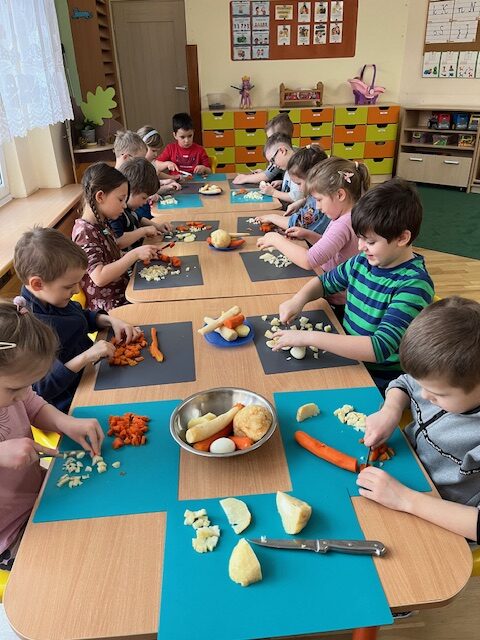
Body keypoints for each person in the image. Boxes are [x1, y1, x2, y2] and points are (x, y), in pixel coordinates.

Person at [274, 178, 435, 394]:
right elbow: (324, 282)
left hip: (380, 377)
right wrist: (298, 299)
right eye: (359, 238)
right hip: (348, 354)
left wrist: (308, 337)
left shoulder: (413, 285)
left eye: (370, 242)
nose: (360, 247)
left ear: (402, 238)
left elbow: (379, 347)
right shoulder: (362, 262)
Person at [358, 297, 480, 544]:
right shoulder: (445, 377)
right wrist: (391, 410)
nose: (424, 396)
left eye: (438, 394)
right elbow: (405, 383)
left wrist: (406, 499)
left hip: (441, 516)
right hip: (407, 473)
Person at [0, 298, 104, 570]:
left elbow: (33, 404)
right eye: (14, 389)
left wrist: (65, 423)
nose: (23, 394)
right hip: (10, 533)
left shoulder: (15, 387)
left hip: (41, 492)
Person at [14, 228, 140, 412]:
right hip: (74, 401)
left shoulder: (53, 299)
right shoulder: (27, 327)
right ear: (37, 284)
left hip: (92, 372)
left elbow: (81, 317)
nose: (75, 291)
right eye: (69, 286)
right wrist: (86, 356)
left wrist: (110, 321)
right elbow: (42, 389)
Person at [257, 157, 369, 322]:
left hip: (337, 301)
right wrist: (308, 235)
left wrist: (276, 240)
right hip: (333, 289)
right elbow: (335, 249)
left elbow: (308, 260)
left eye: (319, 199)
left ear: (340, 194)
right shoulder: (346, 215)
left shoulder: (344, 223)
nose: (317, 206)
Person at [72, 162, 159, 311]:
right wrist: (134, 254)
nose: (124, 206)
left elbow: (111, 256)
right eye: (120, 199)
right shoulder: (84, 231)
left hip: (123, 291)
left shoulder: (102, 222)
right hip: (109, 307)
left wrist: (139, 256)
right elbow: (99, 277)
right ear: (100, 196)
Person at [255, 144, 330, 235]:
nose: (299, 188)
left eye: (299, 183)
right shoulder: (317, 193)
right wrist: (302, 202)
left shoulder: (319, 202)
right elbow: (310, 199)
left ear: (313, 178)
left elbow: (298, 224)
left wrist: (272, 218)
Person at [112, 157, 171, 249]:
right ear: (129, 190)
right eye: (143, 197)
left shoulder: (129, 208)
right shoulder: (116, 213)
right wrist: (143, 231)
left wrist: (158, 226)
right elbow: (118, 241)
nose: (145, 202)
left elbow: (138, 219)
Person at [232, 112, 294, 186]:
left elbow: (267, 175)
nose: (269, 142)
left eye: (272, 138)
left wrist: (245, 178)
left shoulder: (280, 156)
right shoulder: (289, 151)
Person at [136, 125, 181, 194]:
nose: (156, 154)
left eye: (157, 151)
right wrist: (167, 187)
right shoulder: (136, 167)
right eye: (153, 151)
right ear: (141, 147)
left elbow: (151, 182)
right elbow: (145, 192)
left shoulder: (147, 164)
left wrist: (166, 181)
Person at [259, 133, 302, 205]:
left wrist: (273, 192)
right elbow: (294, 186)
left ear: (282, 151)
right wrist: (282, 183)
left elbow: (296, 197)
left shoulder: (298, 167)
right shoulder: (288, 165)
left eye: (273, 160)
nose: (274, 165)